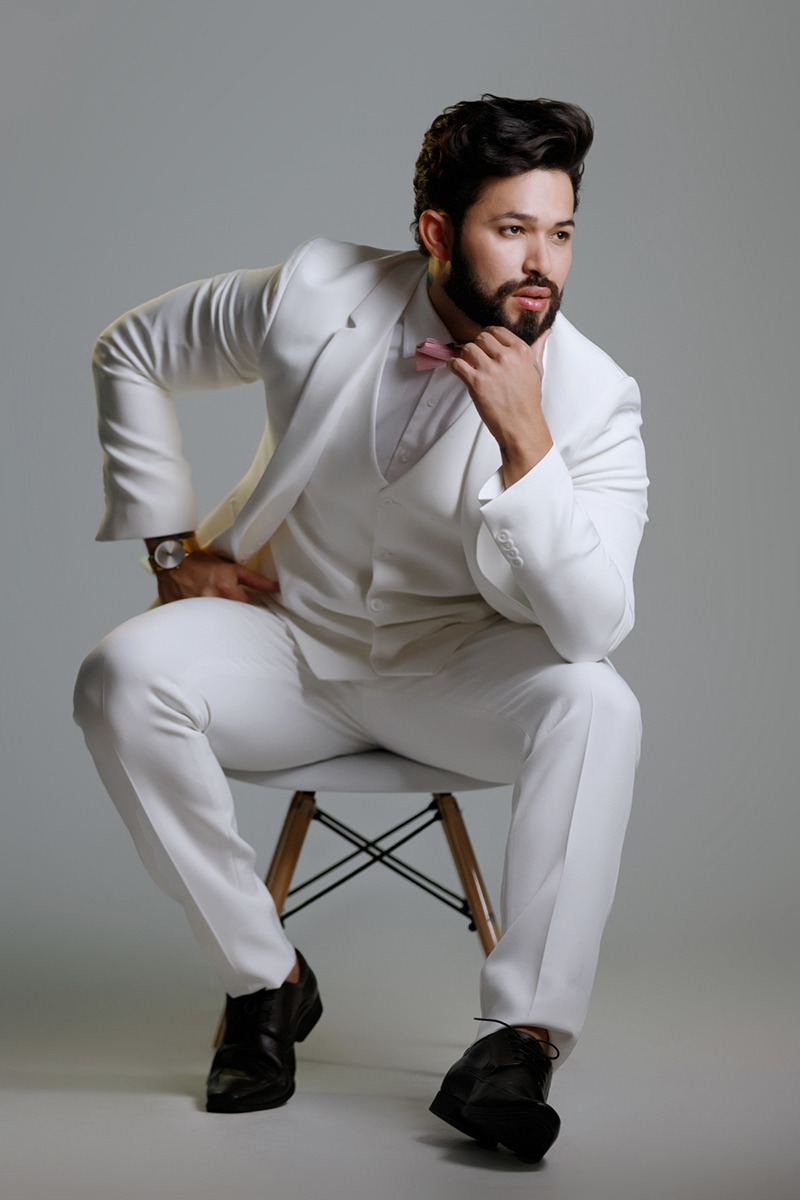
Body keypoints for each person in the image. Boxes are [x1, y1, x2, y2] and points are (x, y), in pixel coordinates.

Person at [73, 95, 647, 1164]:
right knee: (118, 677)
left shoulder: (595, 398)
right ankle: (265, 981)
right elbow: (133, 347)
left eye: (560, 232)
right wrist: (168, 547)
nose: (542, 265)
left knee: (598, 706)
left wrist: (529, 448)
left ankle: (518, 1042)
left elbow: (589, 628)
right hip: (289, 646)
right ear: (437, 231)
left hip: (454, 678)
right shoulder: (317, 292)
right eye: (511, 229)